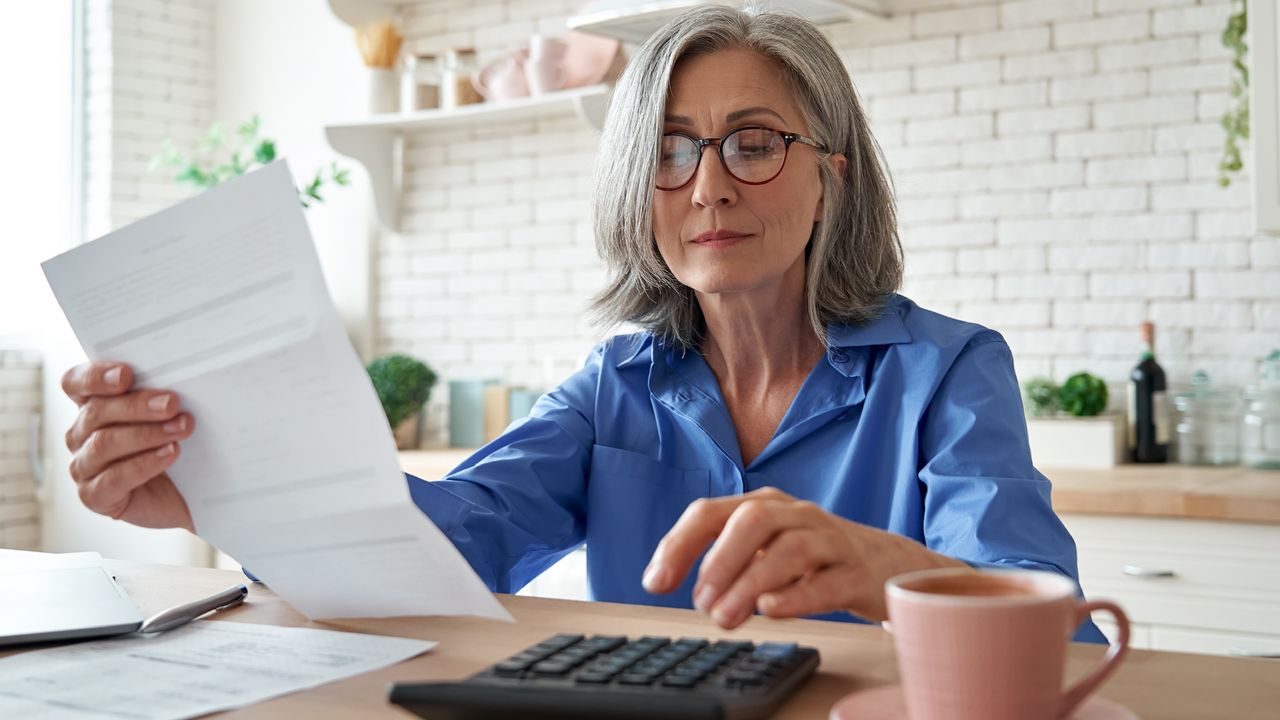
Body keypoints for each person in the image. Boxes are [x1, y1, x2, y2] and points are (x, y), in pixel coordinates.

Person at [59, 6, 1104, 641]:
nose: (705, 186)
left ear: (828, 178)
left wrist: (881, 569)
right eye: (668, 149)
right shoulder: (615, 387)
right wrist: (218, 489)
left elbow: (1046, 616)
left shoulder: (946, 372)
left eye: (750, 143)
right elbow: (446, 545)